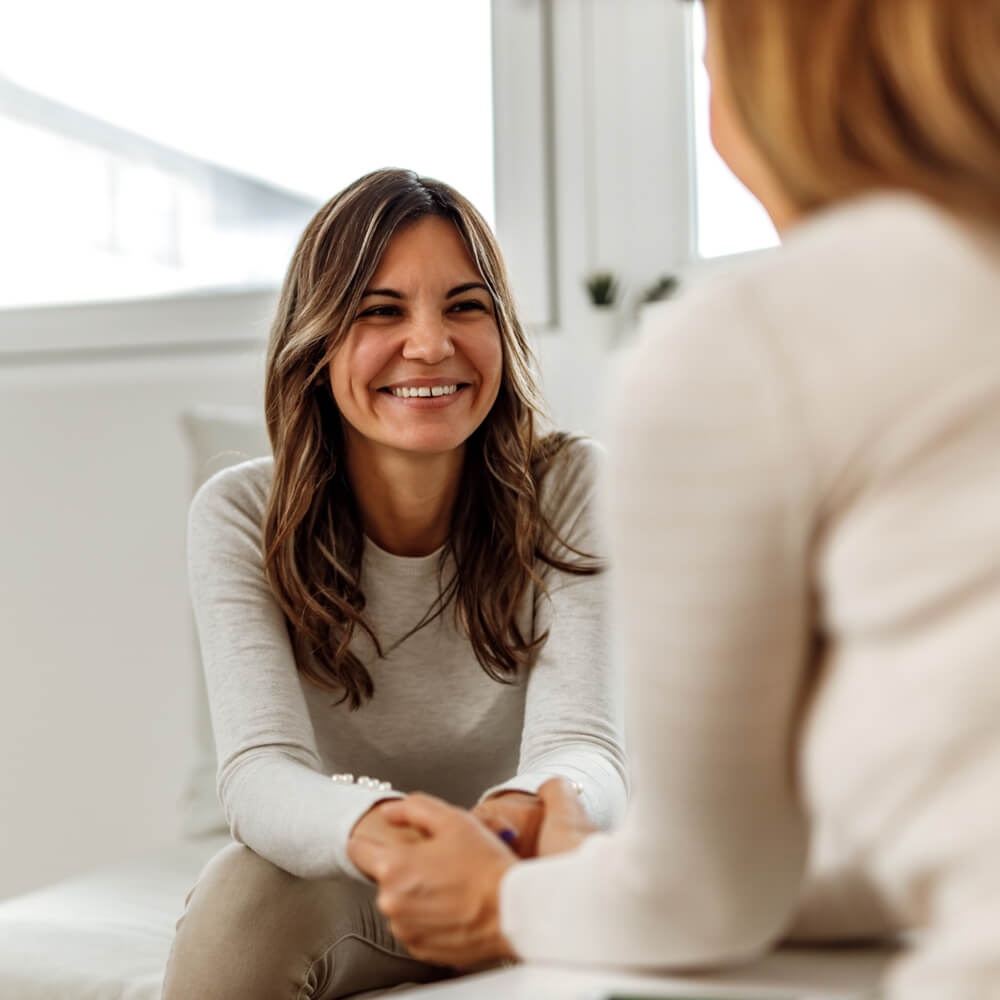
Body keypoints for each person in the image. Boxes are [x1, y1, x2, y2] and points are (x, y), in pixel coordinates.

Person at [351, 2, 1000, 997]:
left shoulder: (755, 345)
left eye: (708, 61)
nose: (428, 345)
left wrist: (501, 900)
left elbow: (706, 892)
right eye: (381, 311)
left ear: (773, 80)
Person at [160, 168, 628, 1000]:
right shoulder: (238, 513)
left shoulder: (568, 486)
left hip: (531, 871)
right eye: (381, 310)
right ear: (319, 339)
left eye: (464, 305)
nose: (429, 344)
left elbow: (582, 748)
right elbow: (260, 772)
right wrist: (387, 833)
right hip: (360, 871)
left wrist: (502, 830)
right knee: (241, 899)